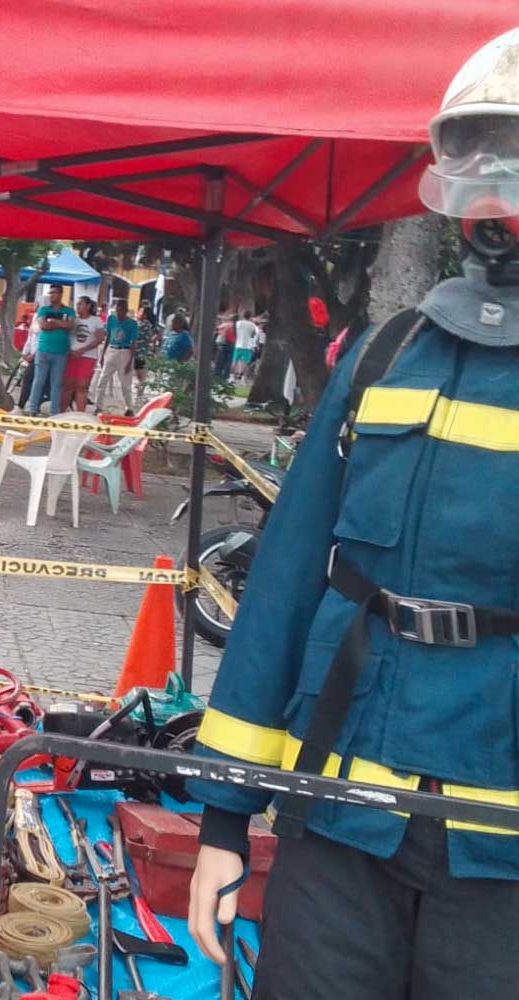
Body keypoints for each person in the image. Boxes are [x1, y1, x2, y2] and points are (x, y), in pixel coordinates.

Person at [186, 27, 519, 999]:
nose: (497, 189)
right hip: (339, 819)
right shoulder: (385, 357)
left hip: (500, 858)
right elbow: (286, 586)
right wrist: (220, 820)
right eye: (482, 156)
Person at [23, 285, 74, 416]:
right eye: (50, 293)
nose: (51, 295)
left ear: (61, 294)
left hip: (61, 351)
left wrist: (53, 321)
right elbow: (43, 326)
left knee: (56, 383)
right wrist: (61, 323)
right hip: (43, 349)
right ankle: (33, 409)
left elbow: (70, 326)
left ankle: (54, 412)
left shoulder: (69, 310)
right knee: (38, 380)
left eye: (54, 293)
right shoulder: (43, 309)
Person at [61, 296, 104, 412]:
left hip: (87, 357)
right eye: (77, 304)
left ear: (88, 306)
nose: (77, 307)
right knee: (68, 385)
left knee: (82, 386)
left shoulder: (96, 321)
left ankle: (80, 414)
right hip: (71, 355)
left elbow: (100, 338)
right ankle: (61, 412)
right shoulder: (72, 320)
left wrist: (83, 350)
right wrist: (70, 350)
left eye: (80, 304)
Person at [97, 300, 140, 414]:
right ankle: (98, 406)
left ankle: (129, 407)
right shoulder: (111, 319)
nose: (118, 313)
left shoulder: (132, 324)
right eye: (117, 311)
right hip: (112, 349)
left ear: (126, 311)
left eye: (121, 311)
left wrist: (130, 361)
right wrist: (102, 355)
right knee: (102, 381)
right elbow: (108, 336)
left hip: (124, 352)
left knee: (125, 385)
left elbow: (133, 343)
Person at [132, 304, 159, 396]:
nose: (138, 313)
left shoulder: (144, 325)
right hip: (140, 353)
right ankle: (139, 393)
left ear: (145, 315)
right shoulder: (145, 324)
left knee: (141, 377)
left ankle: (139, 395)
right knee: (140, 376)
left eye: (140, 312)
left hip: (141, 354)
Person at [232, 312, 261, 383]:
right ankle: (242, 378)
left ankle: (232, 377)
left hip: (238, 345)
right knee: (245, 362)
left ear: (243, 316)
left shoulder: (238, 323)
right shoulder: (253, 325)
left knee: (234, 361)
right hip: (247, 346)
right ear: (250, 317)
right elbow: (254, 335)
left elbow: (234, 332)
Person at [212, 313, 236, 378]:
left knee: (220, 359)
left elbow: (218, 329)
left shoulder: (224, 325)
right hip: (232, 344)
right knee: (229, 360)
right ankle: (226, 374)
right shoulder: (236, 326)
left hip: (223, 343)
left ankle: (217, 372)